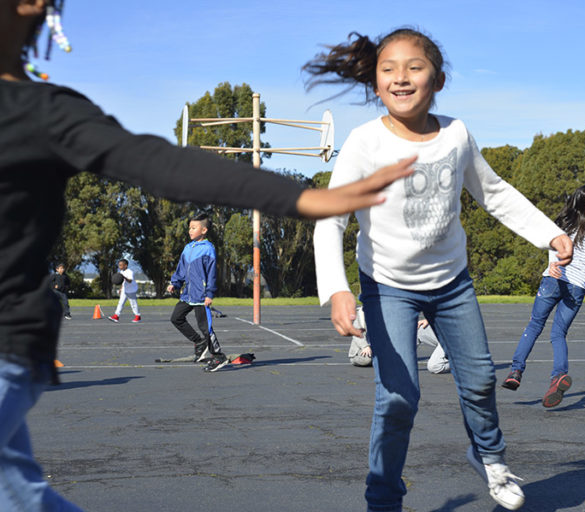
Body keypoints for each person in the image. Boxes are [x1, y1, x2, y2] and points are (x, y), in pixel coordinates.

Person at [0, 3, 415, 510]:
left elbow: (162, 164)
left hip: (7, 338)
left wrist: (305, 199)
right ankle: (208, 349)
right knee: (19, 492)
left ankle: (213, 352)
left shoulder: (45, 112)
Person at [307, 28, 573, 512]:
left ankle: (491, 459)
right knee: (398, 399)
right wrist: (337, 289)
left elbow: (493, 192)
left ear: (439, 80)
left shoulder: (456, 134)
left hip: (452, 286)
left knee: (479, 381)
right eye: (388, 69)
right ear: (375, 81)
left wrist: (548, 233)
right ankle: (383, 500)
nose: (401, 78)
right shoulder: (364, 142)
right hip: (387, 288)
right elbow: (330, 216)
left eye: (414, 67)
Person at [501, 185, 585, 408]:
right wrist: (583, 281)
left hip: (553, 280)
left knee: (533, 326)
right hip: (577, 287)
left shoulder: (561, 224)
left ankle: (515, 371)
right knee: (558, 334)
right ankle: (558, 376)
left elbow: (553, 249)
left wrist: (552, 267)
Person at [167, 213, 228, 372]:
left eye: (194, 228)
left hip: (201, 295)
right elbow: (181, 269)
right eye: (189, 228)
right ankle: (199, 343)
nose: (190, 231)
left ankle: (218, 356)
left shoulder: (208, 249)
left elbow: (212, 273)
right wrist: (175, 283)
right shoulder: (188, 248)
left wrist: (209, 294)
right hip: (188, 294)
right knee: (176, 318)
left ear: (204, 230)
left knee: (205, 327)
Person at [108, 259, 141, 323]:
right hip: (125, 289)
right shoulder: (121, 272)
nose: (119, 267)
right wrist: (121, 288)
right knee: (121, 303)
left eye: (121, 265)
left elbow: (130, 281)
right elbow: (123, 282)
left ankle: (138, 316)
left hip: (131, 290)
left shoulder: (129, 272)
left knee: (133, 304)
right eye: (119, 265)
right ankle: (116, 316)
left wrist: (124, 277)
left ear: (125, 265)